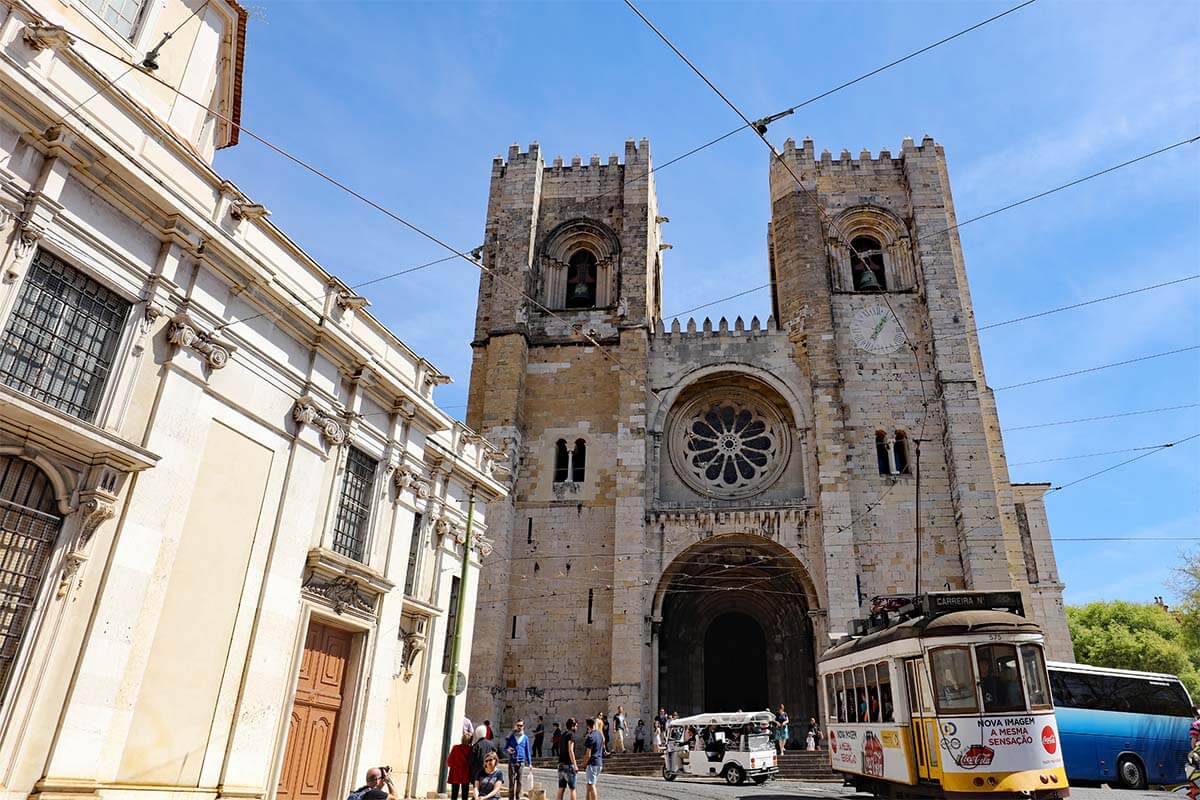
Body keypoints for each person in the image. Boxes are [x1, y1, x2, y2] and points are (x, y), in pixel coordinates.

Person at [505, 719, 533, 800]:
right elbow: (505, 748)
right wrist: (508, 750)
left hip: (521, 762)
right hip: (512, 761)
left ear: (523, 727)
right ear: (515, 726)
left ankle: (518, 798)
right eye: (518, 725)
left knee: (520, 782)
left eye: (521, 725)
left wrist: (530, 763)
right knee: (511, 782)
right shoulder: (511, 737)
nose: (519, 727)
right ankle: (511, 798)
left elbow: (527, 751)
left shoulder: (525, 738)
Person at [556, 717, 579, 800]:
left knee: (561, 787)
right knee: (572, 789)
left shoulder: (563, 735)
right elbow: (570, 750)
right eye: (576, 726)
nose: (577, 728)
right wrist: (575, 765)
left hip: (561, 764)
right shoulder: (571, 735)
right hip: (568, 764)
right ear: (573, 726)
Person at [446, 733, 472, 800]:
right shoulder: (471, 749)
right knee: (465, 795)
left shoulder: (455, 748)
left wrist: (455, 766)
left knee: (454, 794)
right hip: (466, 774)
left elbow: (449, 762)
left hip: (455, 773)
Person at [583, 718, 604, 800]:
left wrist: (584, 763)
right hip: (599, 762)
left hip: (592, 763)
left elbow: (588, 754)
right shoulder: (599, 735)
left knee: (592, 785)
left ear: (588, 726)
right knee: (589, 784)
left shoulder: (590, 737)